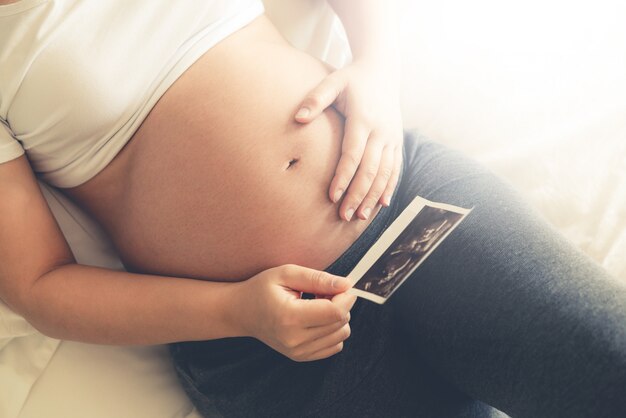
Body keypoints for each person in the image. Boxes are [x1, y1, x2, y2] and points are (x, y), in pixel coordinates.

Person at [0, 1, 624, 417]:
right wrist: (237, 310)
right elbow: (37, 285)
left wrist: (378, 69)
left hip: (409, 205)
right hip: (261, 344)